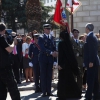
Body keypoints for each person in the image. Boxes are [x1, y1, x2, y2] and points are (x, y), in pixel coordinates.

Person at [57, 30, 81, 100]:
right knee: (70, 79)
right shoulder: (69, 43)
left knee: (63, 80)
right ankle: (74, 93)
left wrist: (60, 64)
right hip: (69, 65)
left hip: (63, 65)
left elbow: (61, 55)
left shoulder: (61, 44)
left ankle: (63, 94)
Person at [0, 23, 21, 100]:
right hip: (5, 67)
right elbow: (9, 49)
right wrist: (13, 43)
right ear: (4, 30)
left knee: (1, 90)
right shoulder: (1, 37)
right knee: (13, 88)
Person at [38, 24, 57, 97]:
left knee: (49, 75)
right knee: (43, 75)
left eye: (50, 29)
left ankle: (49, 91)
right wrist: (51, 52)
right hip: (43, 58)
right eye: (47, 29)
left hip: (50, 59)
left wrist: (55, 59)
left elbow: (54, 48)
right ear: (44, 29)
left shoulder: (52, 38)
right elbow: (42, 48)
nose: (49, 30)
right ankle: (44, 91)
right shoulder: (41, 37)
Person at [84, 23, 99, 100]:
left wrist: (91, 61)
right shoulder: (93, 36)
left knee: (90, 80)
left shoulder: (90, 37)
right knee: (95, 80)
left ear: (87, 28)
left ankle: (88, 96)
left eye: (85, 28)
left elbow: (92, 51)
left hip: (92, 62)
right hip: (95, 61)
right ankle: (96, 95)